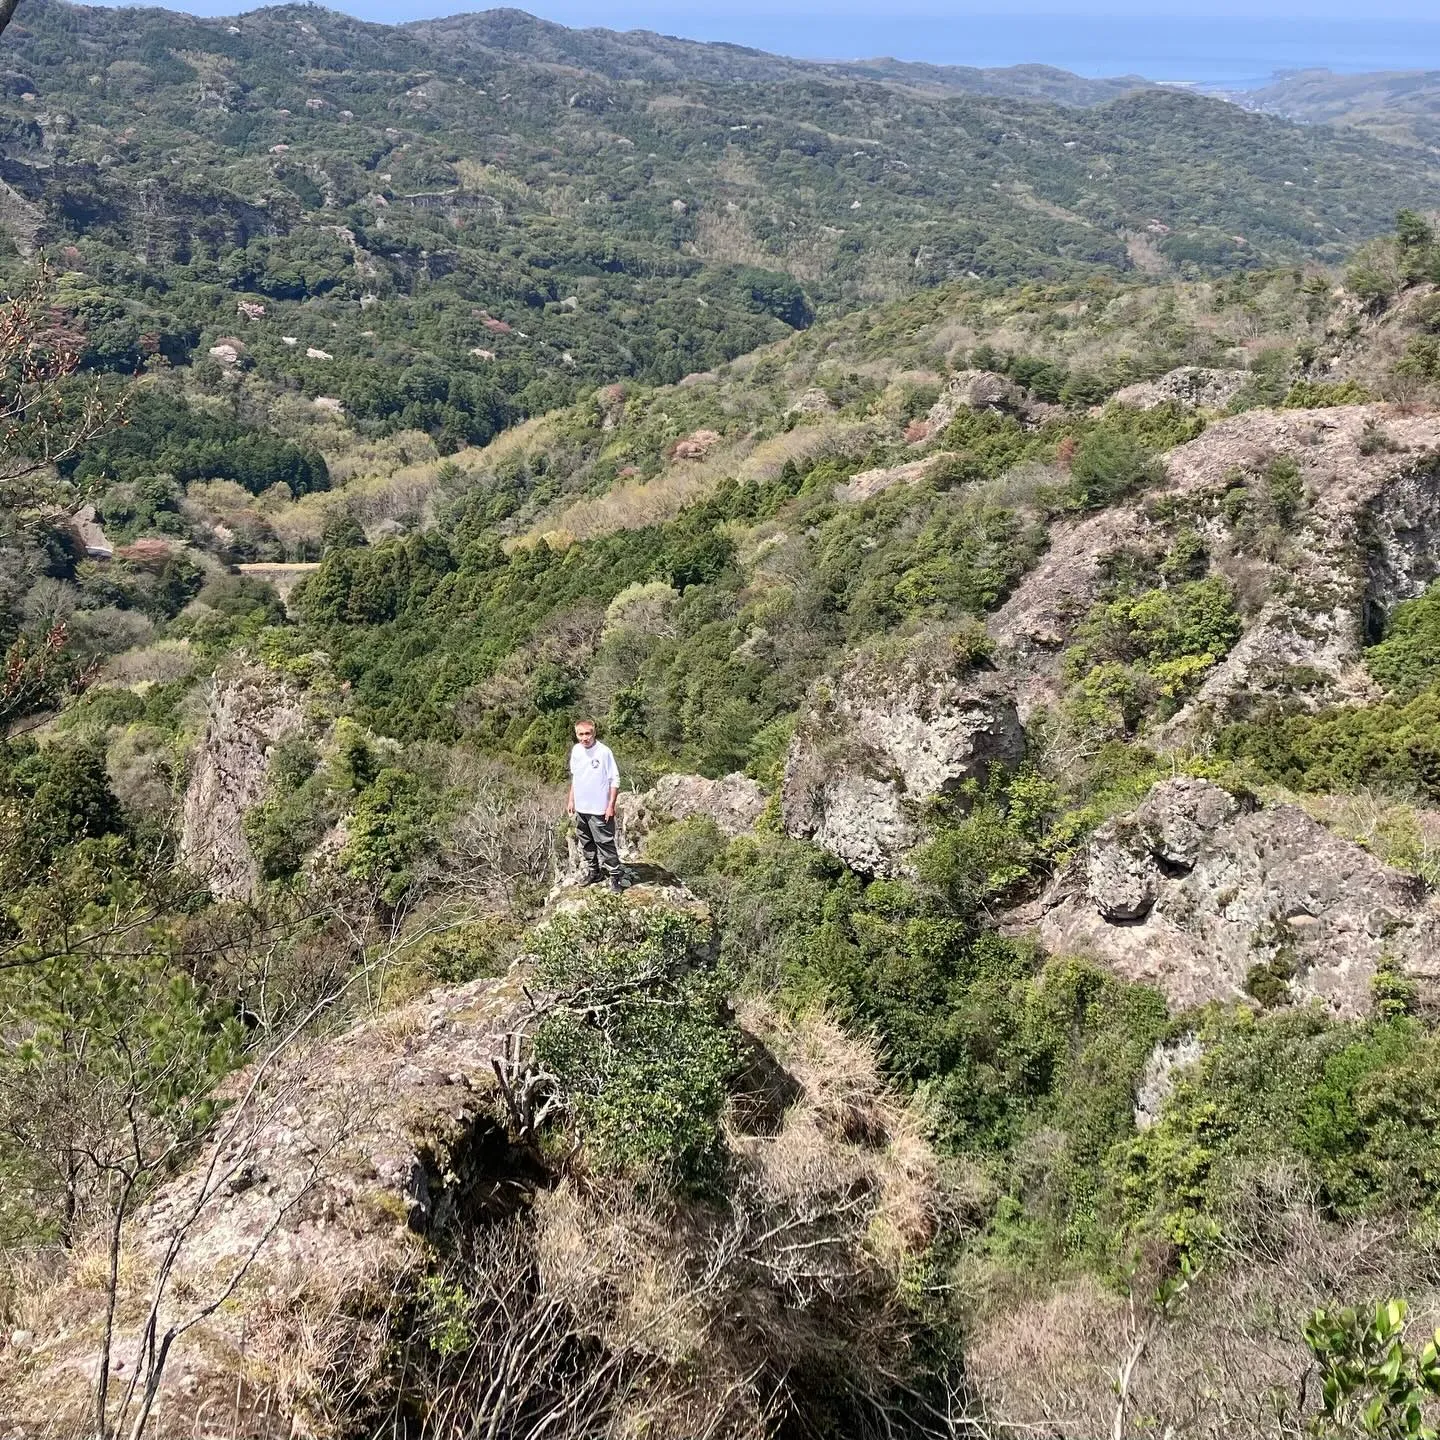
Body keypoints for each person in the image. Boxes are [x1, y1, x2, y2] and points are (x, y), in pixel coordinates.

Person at [567, 717, 630, 891]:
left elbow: (614, 780)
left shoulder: (604, 752)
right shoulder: (577, 751)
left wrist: (611, 805)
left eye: (587, 733)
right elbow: (576, 777)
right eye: (580, 734)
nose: (584, 737)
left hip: (599, 808)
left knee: (605, 842)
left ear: (594, 733)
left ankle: (615, 876)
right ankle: (594, 872)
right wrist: (571, 799)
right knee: (586, 842)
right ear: (576, 734)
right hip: (581, 808)